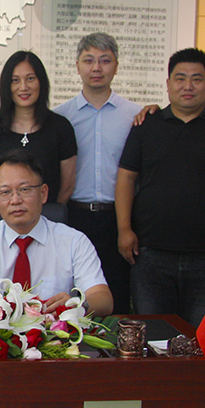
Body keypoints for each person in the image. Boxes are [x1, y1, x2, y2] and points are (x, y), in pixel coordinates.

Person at [116, 48, 205, 330]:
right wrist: (124, 229)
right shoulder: (146, 125)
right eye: (180, 78)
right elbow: (126, 178)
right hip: (150, 253)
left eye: (197, 79)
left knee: (200, 340)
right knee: (154, 336)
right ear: (168, 84)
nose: (188, 86)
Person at [0, 148, 113, 316]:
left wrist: (77, 305)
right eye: (5, 192)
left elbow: (103, 299)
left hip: (56, 330)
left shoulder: (74, 242)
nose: (15, 200)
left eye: (24, 189)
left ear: (43, 193)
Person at [54, 33, 141, 314]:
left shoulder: (136, 115)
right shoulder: (60, 117)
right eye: (89, 60)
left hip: (120, 219)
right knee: (72, 295)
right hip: (74, 216)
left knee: (117, 294)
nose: (96, 68)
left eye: (105, 61)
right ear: (77, 66)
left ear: (116, 66)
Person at [0, 51, 77, 205]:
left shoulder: (60, 128)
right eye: (15, 80)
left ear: (41, 82)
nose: (23, 87)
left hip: (44, 218)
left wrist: (51, 217)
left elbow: (67, 186)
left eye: (30, 78)